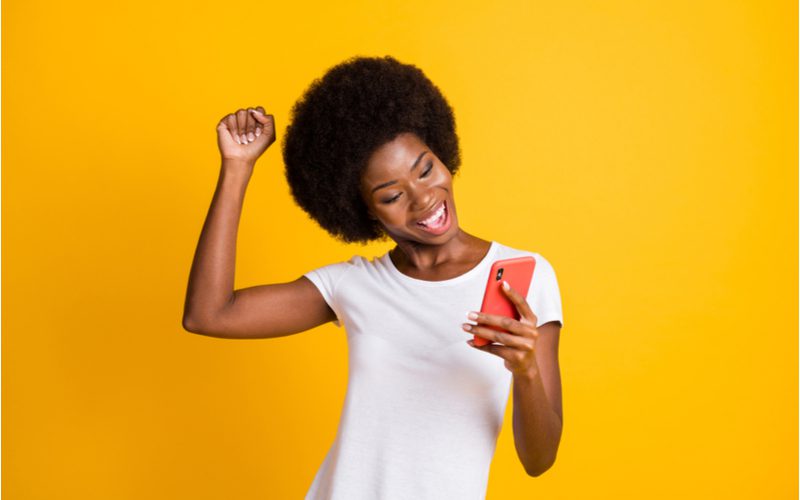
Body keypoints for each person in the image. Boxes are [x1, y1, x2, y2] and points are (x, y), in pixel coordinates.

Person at [182, 55, 564, 500]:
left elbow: (539, 461)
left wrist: (525, 371)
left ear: (443, 153)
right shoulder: (354, 285)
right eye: (392, 195)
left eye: (426, 169)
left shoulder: (526, 278)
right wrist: (237, 167)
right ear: (362, 211)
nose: (423, 199)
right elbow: (209, 315)